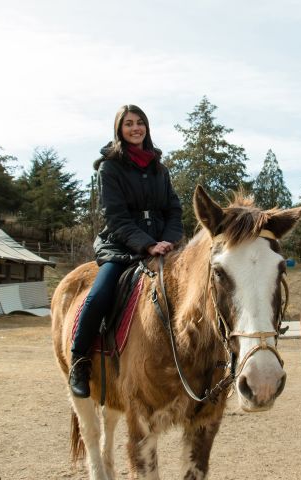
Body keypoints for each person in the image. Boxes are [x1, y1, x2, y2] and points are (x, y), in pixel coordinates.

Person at [69, 104, 183, 398]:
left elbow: (174, 210)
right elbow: (115, 217)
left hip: (162, 246)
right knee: (99, 295)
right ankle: (79, 362)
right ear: (119, 129)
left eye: (140, 123)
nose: (135, 128)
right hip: (122, 247)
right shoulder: (109, 168)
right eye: (129, 123)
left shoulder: (160, 169)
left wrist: (168, 240)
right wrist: (146, 244)